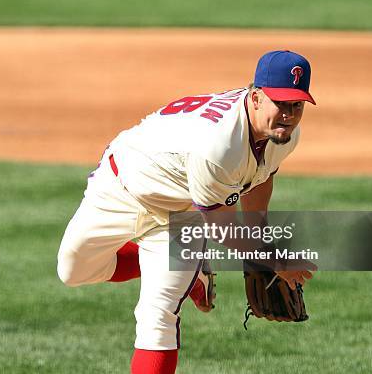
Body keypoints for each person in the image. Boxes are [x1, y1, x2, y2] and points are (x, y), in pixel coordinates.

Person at [57, 50, 316, 374]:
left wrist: (258, 239)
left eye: (297, 105)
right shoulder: (219, 147)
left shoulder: (284, 135)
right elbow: (221, 227)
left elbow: (261, 178)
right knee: (72, 271)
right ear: (255, 98)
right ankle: (195, 275)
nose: (289, 115)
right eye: (281, 103)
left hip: (182, 213)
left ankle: (183, 270)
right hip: (120, 187)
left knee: (157, 316)